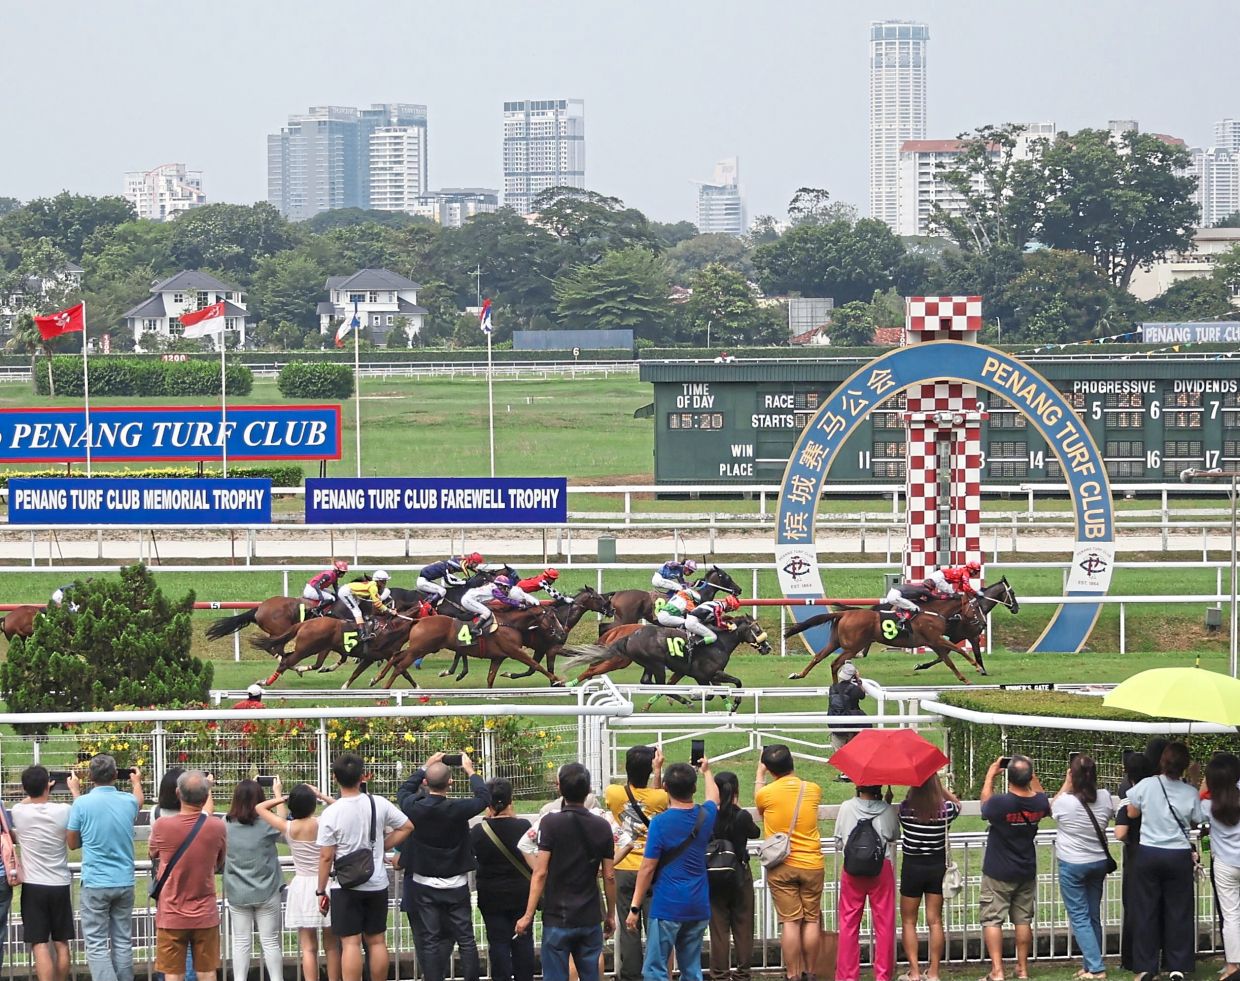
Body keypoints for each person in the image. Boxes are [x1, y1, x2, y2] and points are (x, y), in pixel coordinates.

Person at [515, 763, 617, 981]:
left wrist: (528, 914)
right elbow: (609, 875)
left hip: (557, 915)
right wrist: (610, 914)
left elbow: (540, 872)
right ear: (589, 789)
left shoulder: (550, 822)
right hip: (589, 914)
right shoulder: (602, 826)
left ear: (559, 787)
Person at [316, 754, 413, 981]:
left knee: (350, 942)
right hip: (376, 881)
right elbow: (407, 826)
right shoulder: (378, 803)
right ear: (363, 777)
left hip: (345, 884)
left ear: (334, 778)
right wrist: (381, 846)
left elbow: (326, 856)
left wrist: (321, 890)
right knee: (377, 940)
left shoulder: (331, 812)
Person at [398, 751, 491, 981]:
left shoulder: (414, 806)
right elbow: (483, 798)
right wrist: (470, 771)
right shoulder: (458, 808)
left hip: (423, 883)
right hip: (455, 883)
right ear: (450, 782)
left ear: (426, 783)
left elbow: (403, 791)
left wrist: (424, 767)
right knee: (466, 939)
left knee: (430, 938)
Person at [624, 760, 720, 981]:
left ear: (665, 786)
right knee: (691, 967)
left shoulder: (660, 823)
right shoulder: (705, 817)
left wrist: (635, 907)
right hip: (697, 904)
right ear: (693, 788)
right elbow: (714, 798)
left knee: (655, 969)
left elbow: (647, 868)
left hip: (667, 904)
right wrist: (706, 771)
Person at [1125, 741, 1204, 981]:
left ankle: (1146, 966)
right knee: (1179, 911)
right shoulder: (1190, 791)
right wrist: (1194, 780)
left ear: (1161, 762)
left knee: (1146, 910)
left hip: (1149, 852)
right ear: (1184, 766)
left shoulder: (1147, 784)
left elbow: (1132, 812)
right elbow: (1197, 819)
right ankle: (1178, 965)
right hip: (1178, 854)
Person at [67, 754, 144, 981]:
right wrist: (136, 783)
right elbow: (138, 800)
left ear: (90, 777)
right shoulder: (128, 802)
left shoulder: (81, 804)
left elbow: (72, 843)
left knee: (97, 944)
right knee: (122, 941)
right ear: (114, 775)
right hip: (124, 880)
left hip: (95, 882)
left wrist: (75, 792)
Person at [148, 771, 228, 981]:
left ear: (177, 793)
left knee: (173, 971)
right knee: (206, 970)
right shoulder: (217, 826)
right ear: (206, 796)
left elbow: (153, 852)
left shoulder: (162, 826)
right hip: (205, 911)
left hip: (171, 910)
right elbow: (220, 861)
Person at [256, 784, 340, 981]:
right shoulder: (322, 823)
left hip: (301, 886)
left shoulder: (288, 826)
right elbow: (341, 807)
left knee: (308, 947)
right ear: (313, 805)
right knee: (332, 945)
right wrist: (321, 795)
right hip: (325, 883)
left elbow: (259, 808)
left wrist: (282, 797)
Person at [755, 744, 824, 981]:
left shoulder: (766, 793)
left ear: (770, 768)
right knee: (812, 919)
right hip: (812, 862)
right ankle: (811, 972)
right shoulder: (813, 789)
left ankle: (793, 974)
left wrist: (759, 775)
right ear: (791, 761)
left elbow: (760, 806)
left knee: (791, 922)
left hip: (782, 865)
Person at [978, 756, 1050, 981]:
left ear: (1008, 777)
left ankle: (997, 971)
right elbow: (1043, 800)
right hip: (1025, 869)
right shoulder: (1039, 803)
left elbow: (984, 806)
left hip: (998, 870)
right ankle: (1022, 968)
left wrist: (990, 775)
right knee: (1022, 920)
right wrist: (1033, 776)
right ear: (1029, 777)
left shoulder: (1001, 803)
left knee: (992, 919)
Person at [604, 745, 669, 981]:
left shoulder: (613, 793)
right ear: (649, 770)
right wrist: (658, 772)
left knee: (628, 926)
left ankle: (631, 974)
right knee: (654, 925)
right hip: (651, 868)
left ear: (626, 768)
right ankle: (655, 973)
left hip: (623, 866)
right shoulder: (660, 796)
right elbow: (658, 802)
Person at [1052, 755, 1116, 980]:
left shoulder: (1065, 802)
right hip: (1098, 862)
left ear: (1073, 775)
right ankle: (1091, 964)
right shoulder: (1106, 797)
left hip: (1073, 864)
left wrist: (1066, 784)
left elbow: (1052, 809)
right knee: (1092, 915)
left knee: (1079, 917)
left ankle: (1097, 969)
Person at [12, 765, 76, 981]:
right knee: (61, 943)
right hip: (59, 883)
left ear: (24, 788)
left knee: (39, 943)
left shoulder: (20, 812)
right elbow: (79, 812)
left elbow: (24, 802)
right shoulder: (64, 810)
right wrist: (74, 790)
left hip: (33, 885)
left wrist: (37, 791)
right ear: (48, 786)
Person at [897, 774, 961, 981]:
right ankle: (933, 972)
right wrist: (940, 787)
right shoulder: (946, 811)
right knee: (935, 921)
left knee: (908, 921)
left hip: (912, 867)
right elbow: (957, 803)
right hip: (936, 867)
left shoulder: (905, 809)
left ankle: (914, 972)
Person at [470, 778, 535, 981]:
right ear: (510, 800)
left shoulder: (479, 831)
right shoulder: (524, 826)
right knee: (523, 943)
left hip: (491, 895)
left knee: (497, 944)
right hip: (522, 894)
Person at [835, 784, 900, 981]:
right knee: (884, 924)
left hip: (852, 870)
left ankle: (847, 976)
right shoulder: (887, 809)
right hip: (880, 869)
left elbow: (838, 840)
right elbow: (893, 835)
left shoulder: (846, 807)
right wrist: (886, 805)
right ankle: (882, 975)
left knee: (848, 923)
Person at [224, 779, 284, 981]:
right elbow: (284, 822)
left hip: (237, 891)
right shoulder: (267, 824)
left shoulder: (225, 825)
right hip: (267, 890)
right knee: (270, 941)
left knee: (240, 941)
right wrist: (278, 795)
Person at [707, 771, 760, 981]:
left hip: (714, 875)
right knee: (743, 926)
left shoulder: (708, 817)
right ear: (736, 790)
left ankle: (719, 974)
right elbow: (755, 832)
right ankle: (743, 973)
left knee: (719, 929)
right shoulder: (742, 816)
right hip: (739, 873)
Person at [1115, 751, 1157, 973]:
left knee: (1133, 907)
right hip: (1160, 852)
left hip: (1136, 855)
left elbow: (1121, 832)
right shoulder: (1159, 793)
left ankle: (1131, 958)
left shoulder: (1130, 796)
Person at [1204, 755, 1240, 981]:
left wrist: (1199, 779)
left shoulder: (1206, 805)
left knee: (1231, 917)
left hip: (1225, 865)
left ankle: (1233, 966)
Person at [827, 662, 868, 775]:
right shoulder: (855, 689)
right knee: (852, 748)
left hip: (835, 722)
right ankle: (850, 771)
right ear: (852, 676)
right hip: (851, 723)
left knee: (839, 748)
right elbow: (862, 695)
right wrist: (858, 680)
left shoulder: (832, 688)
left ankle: (844, 771)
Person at [341, 574, 395, 645]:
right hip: (346, 592)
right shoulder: (373, 587)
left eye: (385, 581)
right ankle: (362, 634)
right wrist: (390, 611)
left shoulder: (373, 585)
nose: (384, 583)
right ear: (378, 581)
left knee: (360, 609)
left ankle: (358, 623)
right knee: (357, 612)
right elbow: (377, 604)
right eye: (383, 581)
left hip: (351, 592)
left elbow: (376, 599)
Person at [416, 553, 484, 606]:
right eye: (476, 563)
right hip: (422, 582)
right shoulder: (444, 568)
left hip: (426, 580)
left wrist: (463, 581)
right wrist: (465, 583)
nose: (453, 572)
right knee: (442, 591)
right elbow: (449, 582)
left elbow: (468, 567)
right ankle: (427, 606)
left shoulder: (447, 565)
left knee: (445, 587)